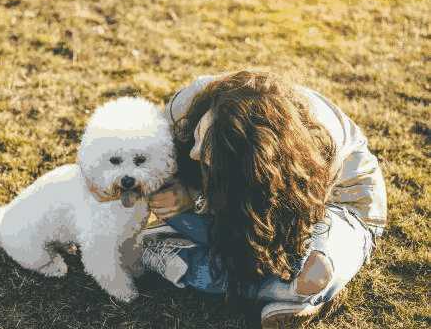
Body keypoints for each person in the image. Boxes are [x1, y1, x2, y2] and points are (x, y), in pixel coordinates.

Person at [140, 71, 387, 328]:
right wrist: (182, 192)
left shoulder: (313, 146)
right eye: (199, 136)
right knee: (256, 268)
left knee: (313, 273)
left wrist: (200, 202)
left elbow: (271, 230)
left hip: (334, 202)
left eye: (211, 154)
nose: (193, 153)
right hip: (232, 202)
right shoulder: (189, 103)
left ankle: (293, 290)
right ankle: (279, 290)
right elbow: (139, 153)